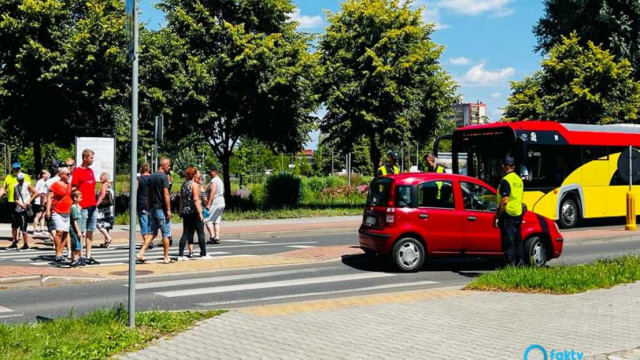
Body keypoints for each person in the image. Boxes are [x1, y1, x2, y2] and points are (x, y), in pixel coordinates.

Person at [136, 157, 173, 264]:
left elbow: (148, 192)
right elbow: (166, 194)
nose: (169, 167)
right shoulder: (164, 177)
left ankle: (141, 252)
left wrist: (148, 205)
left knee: (152, 232)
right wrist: (169, 210)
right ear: (163, 165)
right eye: (168, 165)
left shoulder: (151, 177)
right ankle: (166, 257)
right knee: (166, 233)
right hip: (161, 208)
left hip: (152, 208)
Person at [494, 155, 525, 267]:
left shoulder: (505, 181)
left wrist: (498, 215)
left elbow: (504, 201)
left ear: (504, 167)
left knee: (509, 243)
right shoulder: (518, 179)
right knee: (518, 242)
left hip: (508, 215)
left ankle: (509, 267)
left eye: (502, 165)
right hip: (518, 213)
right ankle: (520, 265)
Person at [72, 149, 100, 265]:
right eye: (91, 158)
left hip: (92, 204)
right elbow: (74, 188)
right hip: (82, 205)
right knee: (81, 231)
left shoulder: (91, 171)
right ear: (85, 158)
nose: (92, 160)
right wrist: (76, 203)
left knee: (90, 230)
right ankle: (80, 256)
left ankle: (89, 255)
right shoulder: (78, 171)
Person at [177, 167, 208, 261]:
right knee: (201, 232)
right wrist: (200, 213)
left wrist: (180, 210)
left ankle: (180, 255)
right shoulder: (194, 185)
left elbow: (181, 199)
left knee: (185, 233)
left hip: (185, 212)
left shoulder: (183, 184)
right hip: (194, 211)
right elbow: (196, 199)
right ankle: (203, 253)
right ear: (193, 175)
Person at [0, 163, 32, 246]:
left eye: (17, 168)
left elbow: (30, 188)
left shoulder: (25, 176)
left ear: (20, 168)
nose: (16, 170)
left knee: (23, 222)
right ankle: (14, 241)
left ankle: (24, 242)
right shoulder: (8, 177)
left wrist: (28, 201)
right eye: (14, 168)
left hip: (22, 203)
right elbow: (4, 188)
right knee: (14, 222)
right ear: (12, 169)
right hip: (11, 202)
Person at [46, 167, 72, 263]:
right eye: (67, 174)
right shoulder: (55, 185)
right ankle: (58, 252)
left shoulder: (70, 185)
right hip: (57, 211)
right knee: (59, 232)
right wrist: (48, 210)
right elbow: (49, 198)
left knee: (65, 232)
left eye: (70, 174)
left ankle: (60, 251)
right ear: (62, 175)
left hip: (67, 212)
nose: (69, 176)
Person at [9, 173, 38, 250]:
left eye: (22, 180)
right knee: (14, 226)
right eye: (19, 180)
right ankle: (14, 242)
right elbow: (15, 199)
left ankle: (26, 244)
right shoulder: (16, 186)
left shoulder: (27, 185)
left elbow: (36, 193)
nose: (21, 181)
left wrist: (29, 201)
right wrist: (20, 204)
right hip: (18, 208)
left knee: (23, 227)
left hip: (25, 209)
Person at [205, 165, 225, 244]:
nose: (209, 173)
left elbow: (213, 192)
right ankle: (217, 237)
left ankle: (212, 236)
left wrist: (209, 203)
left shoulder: (214, 181)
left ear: (215, 171)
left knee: (207, 220)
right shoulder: (220, 180)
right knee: (217, 220)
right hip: (221, 201)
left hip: (215, 201)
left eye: (211, 172)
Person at [96, 172, 115, 248]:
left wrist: (96, 204)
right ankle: (106, 241)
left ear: (105, 178)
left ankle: (108, 237)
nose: (100, 177)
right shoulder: (109, 186)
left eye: (101, 176)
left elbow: (102, 196)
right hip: (109, 208)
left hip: (103, 208)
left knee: (98, 224)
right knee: (106, 224)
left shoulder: (104, 185)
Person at [136, 163, 152, 246]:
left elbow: (135, 191)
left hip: (141, 203)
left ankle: (146, 241)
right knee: (150, 222)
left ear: (141, 169)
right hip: (151, 203)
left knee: (143, 221)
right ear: (149, 169)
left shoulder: (139, 179)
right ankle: (149, 240)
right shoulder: (153, 178)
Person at [69, 190, 84, 267]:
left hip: (77, 229)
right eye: (80, 197)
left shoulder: (77, 207)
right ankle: (75, 260)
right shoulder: (74, 208)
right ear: (75, 198)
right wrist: (78, 231)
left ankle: (74, 259)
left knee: (76, 245)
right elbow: (75, 221)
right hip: (75, 231)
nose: (81, 198)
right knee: (77, 246)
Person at [33, 170, 50, 234]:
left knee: (43, 215)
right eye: (46, 174)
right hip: (38, 201)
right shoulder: (39, 182)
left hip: (44, 200)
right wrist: (41, 194)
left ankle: (42, 229)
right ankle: (34, 229)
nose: (47, 175)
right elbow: (35, 191)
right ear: (42, 175)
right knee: (38, 215)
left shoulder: (45, 182)